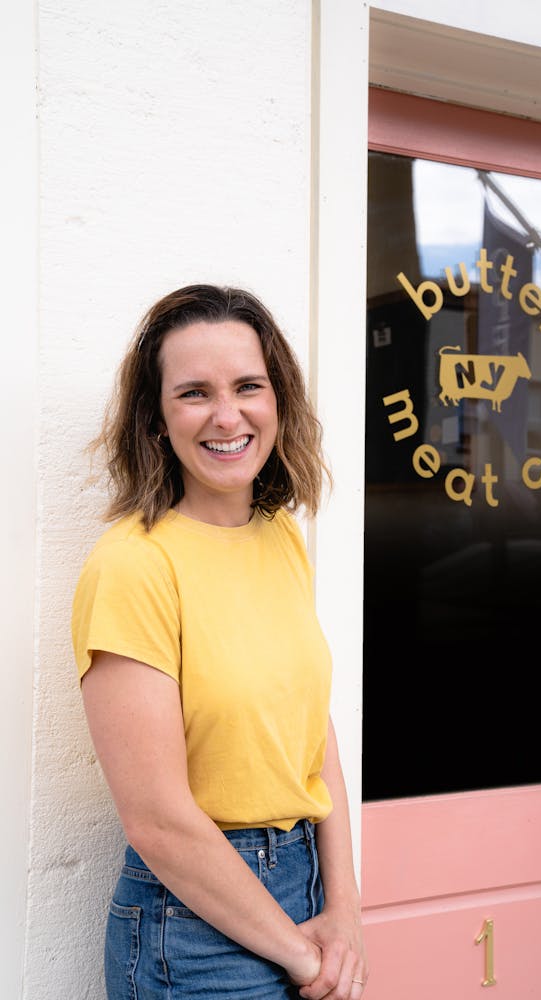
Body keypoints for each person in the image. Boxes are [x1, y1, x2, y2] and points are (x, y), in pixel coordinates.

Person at [71, 284, 368, 1000]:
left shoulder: (279, 536)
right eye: (194, 393)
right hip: (193, 929)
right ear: (155, 421)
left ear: (278, 402)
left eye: (247, 386)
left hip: (306, 885)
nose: (227, 415)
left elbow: (309, 730)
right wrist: (298, 957)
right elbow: (159, 821)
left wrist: (345, 911)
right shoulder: (133, 564)